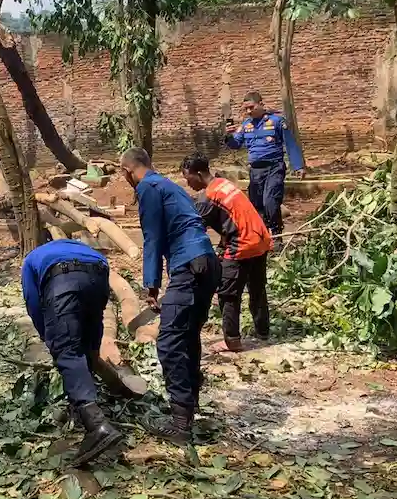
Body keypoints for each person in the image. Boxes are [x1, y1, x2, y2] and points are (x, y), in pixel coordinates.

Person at [120, 147, 219, 447]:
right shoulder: (170, 185)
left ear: (127, 171)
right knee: (188, 335)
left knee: (169, 341)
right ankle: (190, 405)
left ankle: (179, 424)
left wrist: (150, 284)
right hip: (208, 262)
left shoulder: (148, 188)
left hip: (189, 265)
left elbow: (152, 237)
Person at [21, 238, 123, 466]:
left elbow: (33, 302)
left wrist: (49, 337)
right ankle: (82, 407)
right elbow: (96, 313)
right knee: (86, 349)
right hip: (99, 274)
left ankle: (97, 426)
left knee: (67, 351)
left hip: (62, 279)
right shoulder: (84, 249)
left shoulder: (31, 260)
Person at [182, 154, 273, 352]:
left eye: (188, 178)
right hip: (261, 239)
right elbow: (232, 217)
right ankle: (263, 331)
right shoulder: (224, 184)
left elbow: (196, 228)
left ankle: (232, 340)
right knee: (257, 288)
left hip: (242, 244)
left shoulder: (209, 196)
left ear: (198, 174)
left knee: (228, 293)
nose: (188, 184)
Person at [224, 91, 304, 236]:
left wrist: (298, 166)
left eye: (251, 107)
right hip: (255, 171)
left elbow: (290, 143)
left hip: (274, 168)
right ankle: (263, 237)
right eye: (246, 109)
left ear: (261, 104)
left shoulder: (276, 121)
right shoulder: (246, 125)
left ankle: (277, 234)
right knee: (256, 206)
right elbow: (235, 144)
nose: (248, 111)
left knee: (271, 201)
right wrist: (228, 136)